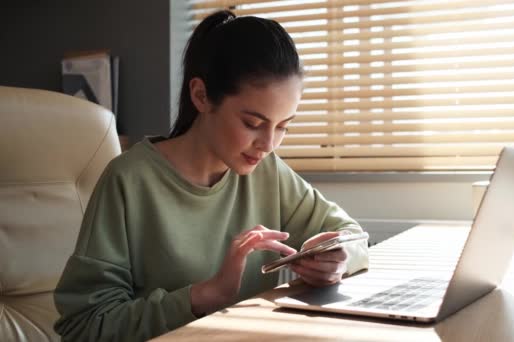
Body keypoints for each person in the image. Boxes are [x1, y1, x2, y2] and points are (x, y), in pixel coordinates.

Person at [53, 9, 369, 341]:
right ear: (201, 96)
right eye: (253, 124)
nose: (268, 144)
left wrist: (337, 259)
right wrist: (204, 296)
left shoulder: (268, 170)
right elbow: (85, 327)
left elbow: (353, 236)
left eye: (283, 126)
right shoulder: (129, 180)